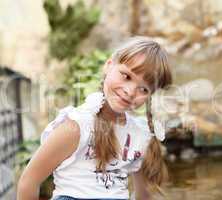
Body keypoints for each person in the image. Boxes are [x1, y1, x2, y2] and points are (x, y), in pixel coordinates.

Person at [17, 36, 173, 200]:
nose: (130, 91)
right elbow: (29, 182)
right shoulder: (77, 127)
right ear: (108, 66)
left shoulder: (140, 134)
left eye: (143, 89)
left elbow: (144, 195)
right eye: (126, 76)